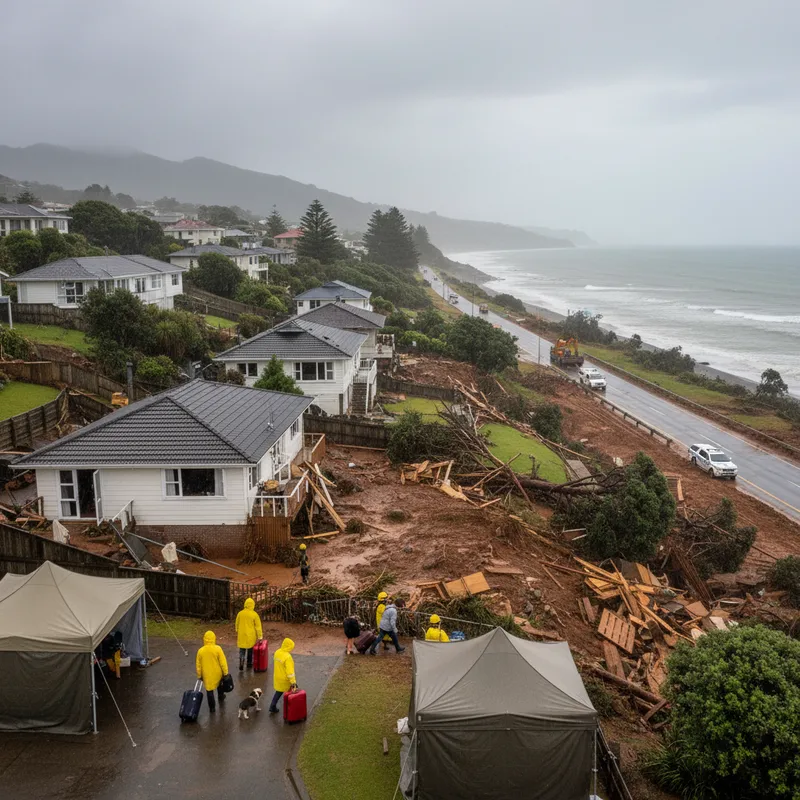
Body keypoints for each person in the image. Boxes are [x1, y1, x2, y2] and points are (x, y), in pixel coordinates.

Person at [196, 630, 229, 713]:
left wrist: (199, 675)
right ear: (214, 638)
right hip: (217, 673)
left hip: (207, 675)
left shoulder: (200, 651)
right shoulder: (218, 649)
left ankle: (212, 708)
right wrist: (225, 673)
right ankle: (221, 696)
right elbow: (223, 662)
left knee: (209, 691)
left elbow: (198, 665)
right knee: (219, 685)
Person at [269, 638, 297, 713]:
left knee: (278, 692)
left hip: (277, 677)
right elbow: (290, 672)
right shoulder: (288, 657)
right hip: (285, 679)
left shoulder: (277, 652)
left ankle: (272, 706)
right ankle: (290, 710)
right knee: (291, 693)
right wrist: (293, 682)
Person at [235, 597, 263, 671]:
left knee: (242, 649)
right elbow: (258, 626)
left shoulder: (240, 613)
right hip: (251, 635)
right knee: (250, 650)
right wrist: (260, 636)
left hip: (241, 635)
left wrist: (237, 630)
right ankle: (249, 663)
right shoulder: (254, 614)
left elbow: (237, 623)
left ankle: (241, 661)